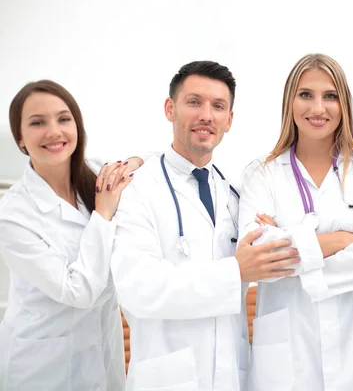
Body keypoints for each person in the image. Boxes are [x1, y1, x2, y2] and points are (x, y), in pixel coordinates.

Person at [110, 60, 300, 391]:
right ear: (170, 109)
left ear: (229, 120)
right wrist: (235, 272)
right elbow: (138, 288)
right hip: (167, 377)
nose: (206, 115)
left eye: (218, 106)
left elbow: (282, 254)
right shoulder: (138, 188)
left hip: (230, 376)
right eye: (194, 102)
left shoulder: (234, 194)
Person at [238, 53, 353, 391]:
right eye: (305, 94)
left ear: (344, 104)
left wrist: (288, 245)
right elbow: (258, 255)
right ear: (289, 102)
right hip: (288, 356)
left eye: (330, 96)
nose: (317, 107)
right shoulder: (261, 173)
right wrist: (345, 240)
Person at [0, 80, 139, 390]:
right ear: (20, 138)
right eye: (38, 122)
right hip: (42, 367)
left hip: (103, 352)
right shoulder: (13, 214)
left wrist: (132, 163)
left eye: (64, 119)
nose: (54, 131)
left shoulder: (93, 173)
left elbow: (146, 163)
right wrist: (102, 213)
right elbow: (79, 292)